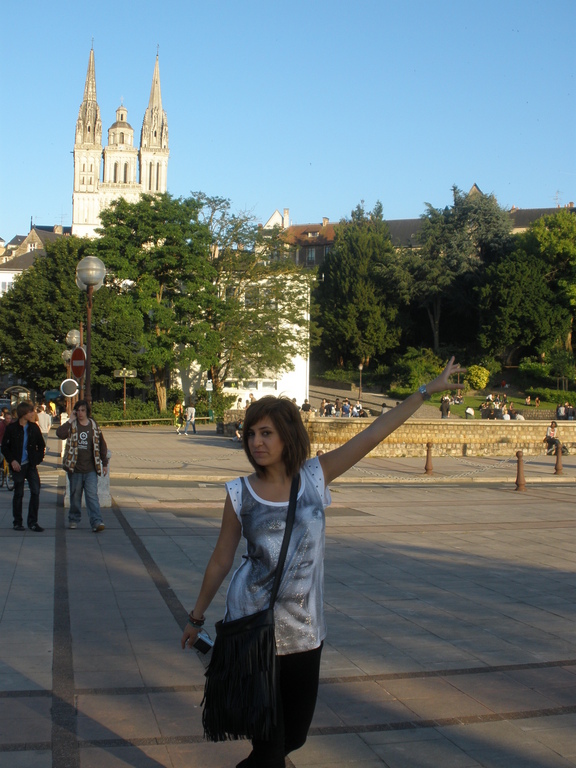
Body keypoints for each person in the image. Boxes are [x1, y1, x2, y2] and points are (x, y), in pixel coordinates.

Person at [181, 357, 464, 768]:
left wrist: (425, 391)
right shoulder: (239, 492)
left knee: (293, 736)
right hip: (253, 630)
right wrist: (196, 616)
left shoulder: (315, 477)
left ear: (287, 437)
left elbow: (374, 433)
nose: (256, 442)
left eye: (266, 433)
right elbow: (222, 557)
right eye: (251, 434)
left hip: (306, 631)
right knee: (270, 744)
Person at [56, 400, 109, 532]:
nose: (80, 413)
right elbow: (59, 434)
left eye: (83, 410)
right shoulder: (72, 425)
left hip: (91, 468)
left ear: (87, 412)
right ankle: (73, 519)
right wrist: (69, 420)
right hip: (75, 468)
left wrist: (105, 463)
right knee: (75, 495)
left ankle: (97, 521)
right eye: (78, 410)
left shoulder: (93, 425)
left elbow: (101, 444)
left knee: (92, 496)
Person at [1, 401, 45, 532]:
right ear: (24, 413)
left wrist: (37, 459)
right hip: (18, 466)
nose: (33, 414)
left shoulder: (33, 428)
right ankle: (17, 522)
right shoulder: (12, 428)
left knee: (36, 491)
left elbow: (41, 445)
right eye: (31, 411)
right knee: (19, 493)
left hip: (30, 465)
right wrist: (12, 461)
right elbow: (5, 447)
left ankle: (33, 522)